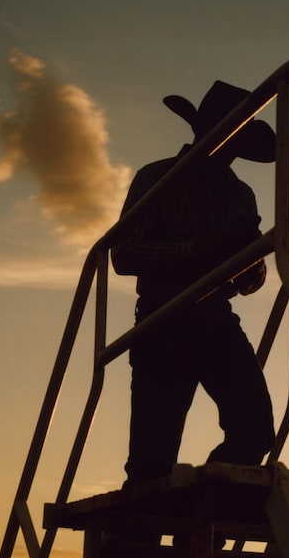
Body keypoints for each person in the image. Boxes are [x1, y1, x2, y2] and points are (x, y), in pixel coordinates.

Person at [111, 81, 276, 486]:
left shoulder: (241, 195)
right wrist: (199, 249)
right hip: (161, 318)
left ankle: (199, 522)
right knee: (152, 460)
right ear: (204, 131)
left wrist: (250, 263)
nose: (231, 146)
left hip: (215, 318)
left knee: (254, 429)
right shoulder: (157, 177)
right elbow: (123, 254)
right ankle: (137, 545)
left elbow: (249, 281)